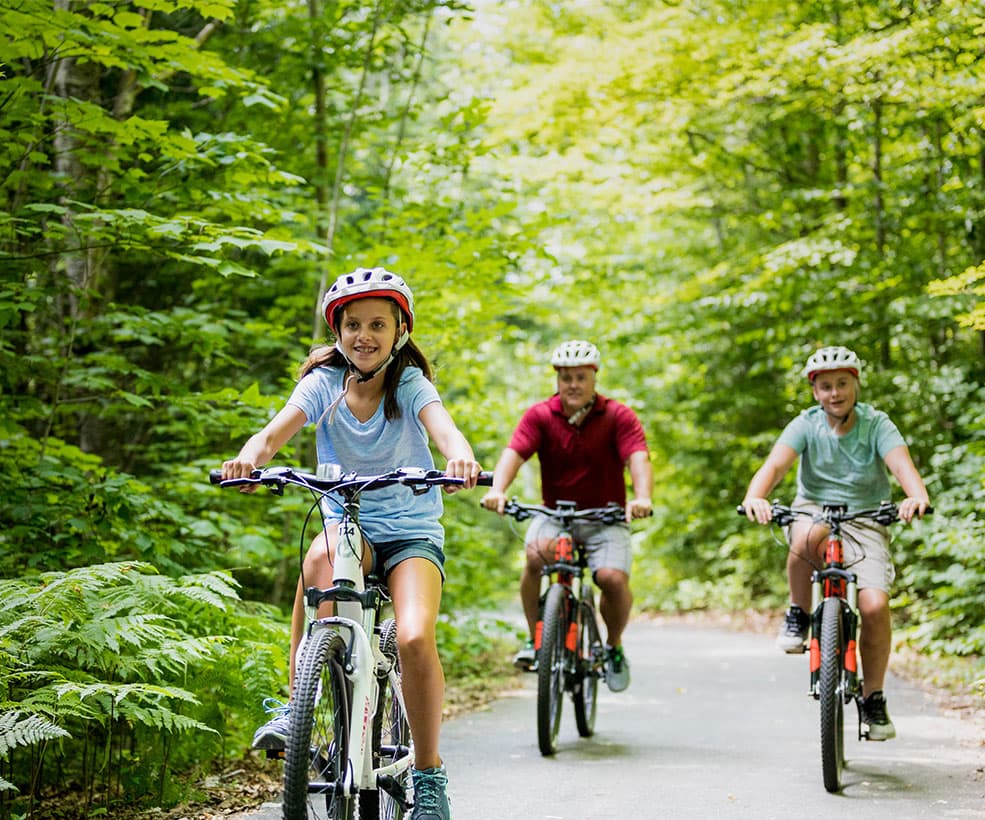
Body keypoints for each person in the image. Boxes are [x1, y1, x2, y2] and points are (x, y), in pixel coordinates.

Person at [222, 267, 481, 820]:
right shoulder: (322, 384)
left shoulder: (410, 384)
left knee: (412, 637)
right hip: (349, 525)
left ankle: (429, 776)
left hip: (410, 529)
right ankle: (297, 703)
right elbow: (272, 434)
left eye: (378, 325)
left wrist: (459, 455)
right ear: (337, 330)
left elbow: (443, 428)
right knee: (317, 555)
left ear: (399, 331)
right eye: (353, 324)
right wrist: (249, 458)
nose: (365, 335)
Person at [741, 345, 930, 741]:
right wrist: (755, 496)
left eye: (842, 384)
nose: (835, 393)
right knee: (806, 534)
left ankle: (874, 698)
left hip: (865, 515)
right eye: (825, 386)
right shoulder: (806, 424)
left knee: (875, 606)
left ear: (856, 384)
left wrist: (915, 495)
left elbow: (900, 465)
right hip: (815, 508)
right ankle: (798, 611)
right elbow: (775, 465)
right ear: (815, 392)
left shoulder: (877, 424)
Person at [481, 340, 652, 693]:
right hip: (556, 515)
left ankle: (614, 646)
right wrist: (497, 489)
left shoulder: (618, 416)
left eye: (580, 377)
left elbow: (637, 457)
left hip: (606, 517)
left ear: (594, 378)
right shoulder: (541, 416)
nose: (573, 384)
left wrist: (642, 497)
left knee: (612, 579)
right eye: (565, 378)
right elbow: (514, 454)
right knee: (534, 557)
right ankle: (536, 640)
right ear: (557, 380)